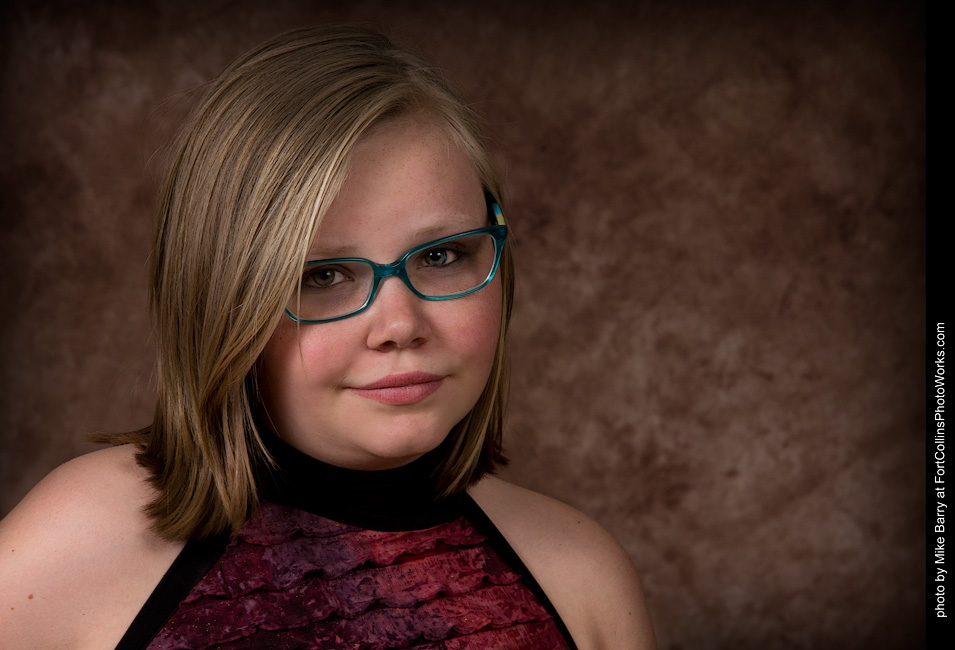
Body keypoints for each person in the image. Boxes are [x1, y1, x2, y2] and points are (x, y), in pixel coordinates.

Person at [0, 25, 656, 649]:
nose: (400, 325)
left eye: (440, 256)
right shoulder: (74, 546)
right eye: (323, 275)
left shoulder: (579, 579)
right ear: (221, 297)